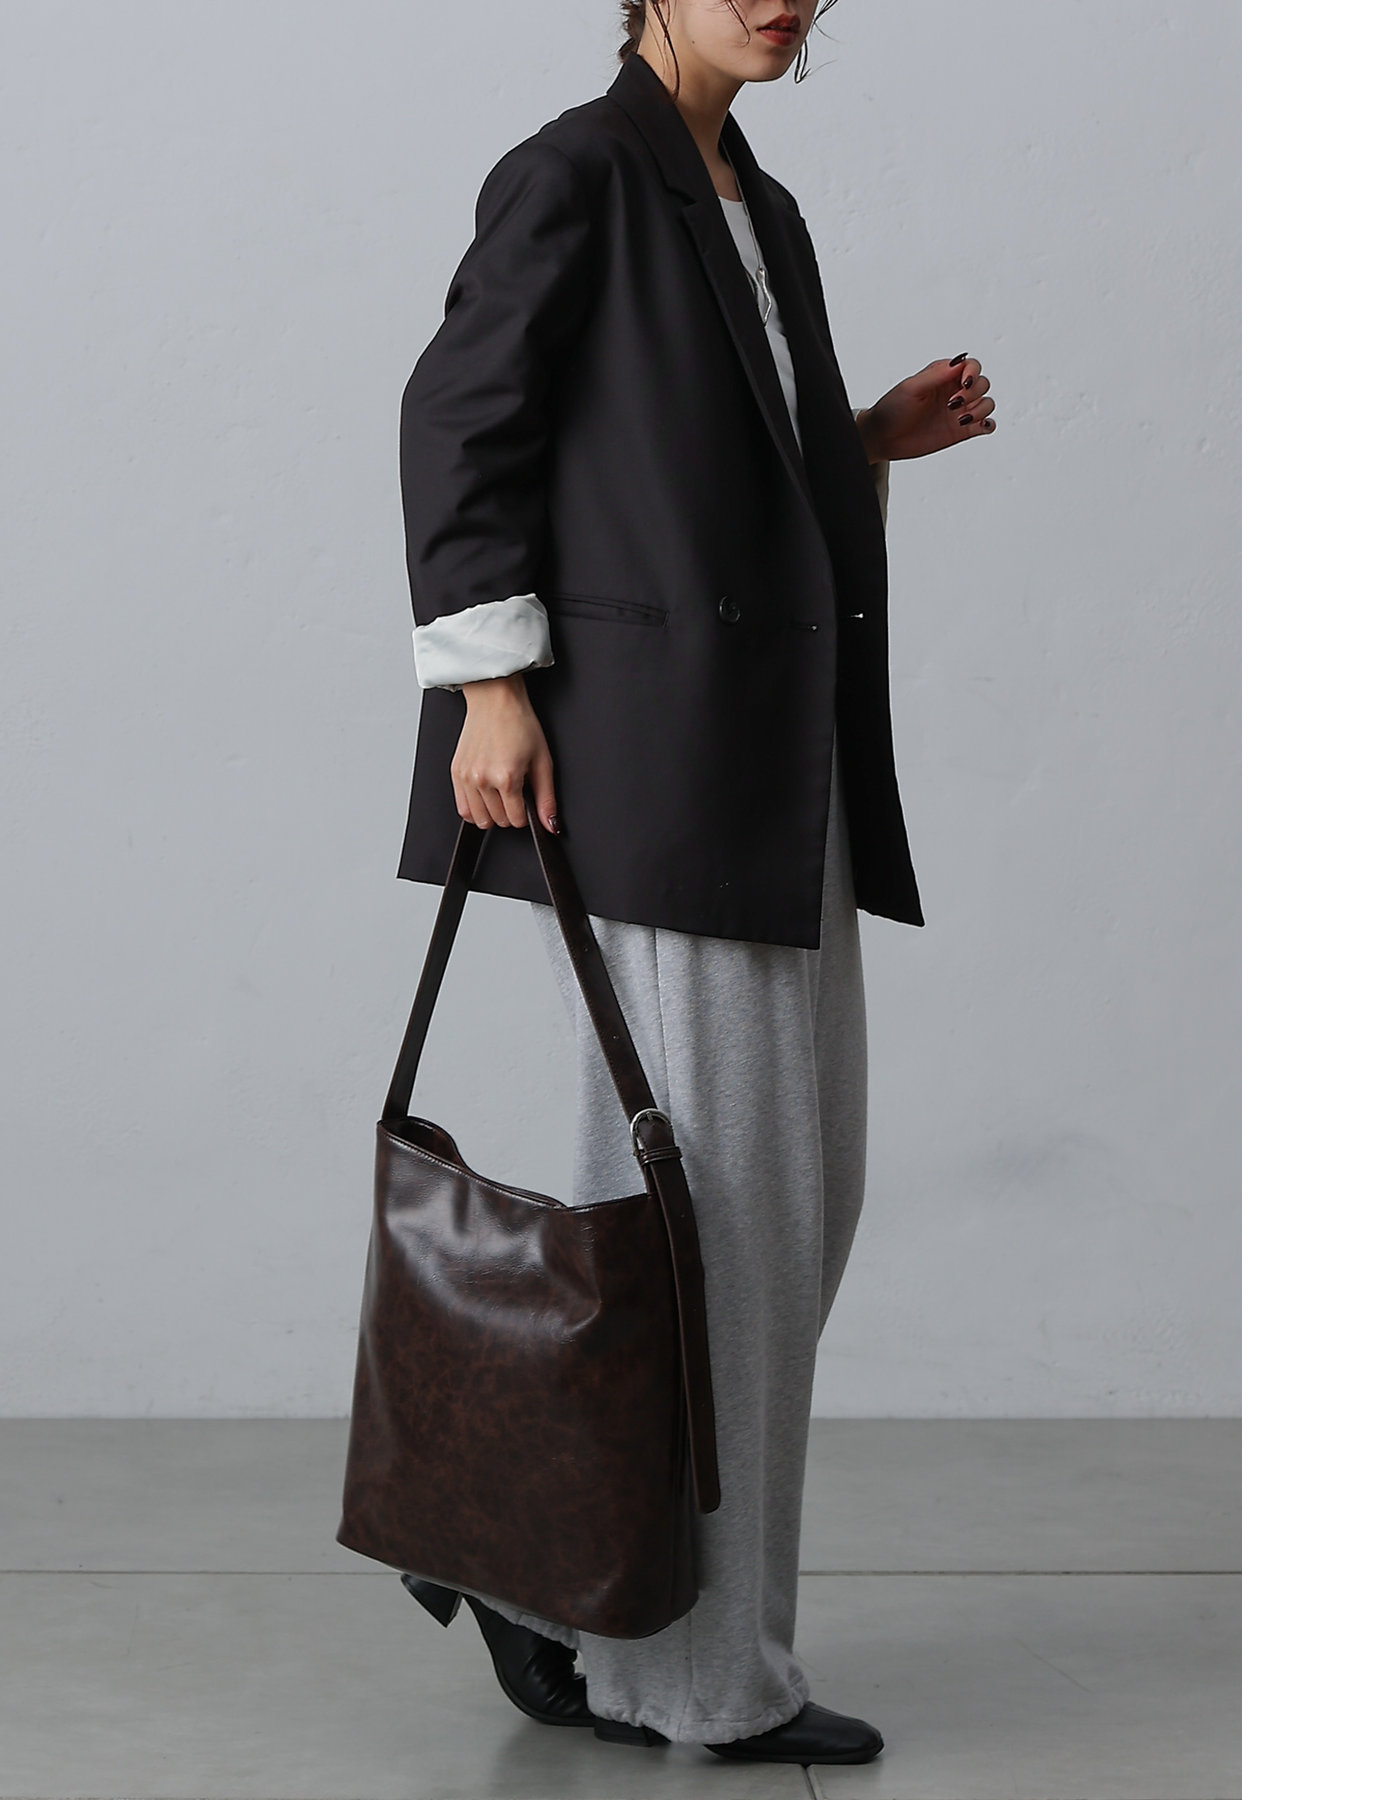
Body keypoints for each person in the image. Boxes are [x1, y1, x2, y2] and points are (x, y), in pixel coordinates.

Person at [392, 0, 995, 1768]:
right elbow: (459, 419)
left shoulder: (757, 202)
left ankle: (546, 1549)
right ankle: (694, 1676)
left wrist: (860, 444)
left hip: (772, 759)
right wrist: (489, 685)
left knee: (785, 1210)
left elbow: (705, 462)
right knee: (725, 1228)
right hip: (648, 766)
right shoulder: (575, 173)